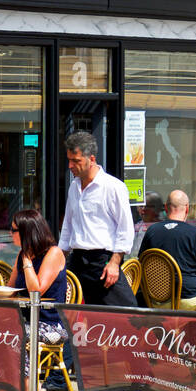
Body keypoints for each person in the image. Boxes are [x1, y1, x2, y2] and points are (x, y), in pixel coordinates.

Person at [58, 130, 135, 307]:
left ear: (91, 159)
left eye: (76, 161)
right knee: (71, 312)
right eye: (69, 160)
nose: (70, 165)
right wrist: (59, 259)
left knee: (127, 312)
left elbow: (125, 229)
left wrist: (115, 263)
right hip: (76, 260)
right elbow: (68, 226)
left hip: (102, 261)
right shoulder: (74, 187)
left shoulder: (113, 187)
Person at [0, 209, 68, 391]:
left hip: (51, 325)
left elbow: (36, 290)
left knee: (15, 334)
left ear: (27, 232)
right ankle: (2, 389)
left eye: (13, 230)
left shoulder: (53, 253)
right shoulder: (22, 254)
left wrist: (28, 262)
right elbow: (11, 290)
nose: (10, 233)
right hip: (26, 321)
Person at [139, 190, 196, 308]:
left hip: (157, 302)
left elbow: (141, 264)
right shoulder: (194, 234)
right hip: (190, 300)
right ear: (187, 209)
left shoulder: (151, 231)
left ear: (166, 208)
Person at [131, 191, 165, 257]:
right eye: (140, 206)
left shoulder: (164, 228)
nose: (143, 209)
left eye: (146, 206)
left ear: (157, 208)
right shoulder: (137, 227)